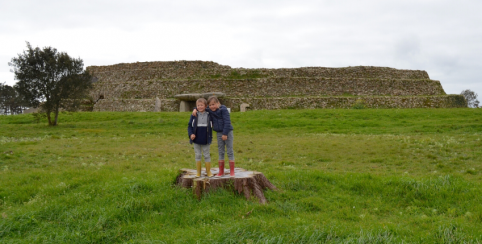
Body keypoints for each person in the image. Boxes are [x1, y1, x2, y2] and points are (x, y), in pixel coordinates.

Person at [193, 96, 235, 177]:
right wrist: (195, 109)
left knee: (229, 150)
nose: (212, 106)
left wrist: (225, 133)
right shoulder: (210, 110)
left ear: (218, 103)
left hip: (227, 132)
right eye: (210, 105)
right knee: (220, 151)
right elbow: (201, 107)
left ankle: (232, 171)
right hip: (218, 132)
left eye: (214, 104)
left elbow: (227, 121)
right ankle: (221, 171)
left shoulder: (223, 110)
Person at [188, 98, 213, 177]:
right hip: (196, 139)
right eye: (198, 105)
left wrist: (194, 109)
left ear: (205, 106)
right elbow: (189, 126)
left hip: (206, 138)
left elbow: (212, 108)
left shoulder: (209, 114)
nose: (200, 107)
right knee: (198, 155)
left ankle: (208, 171)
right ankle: (198, 172)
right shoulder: (194, 115)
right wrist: (191, 134)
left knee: (206, 155)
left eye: (202, 105)